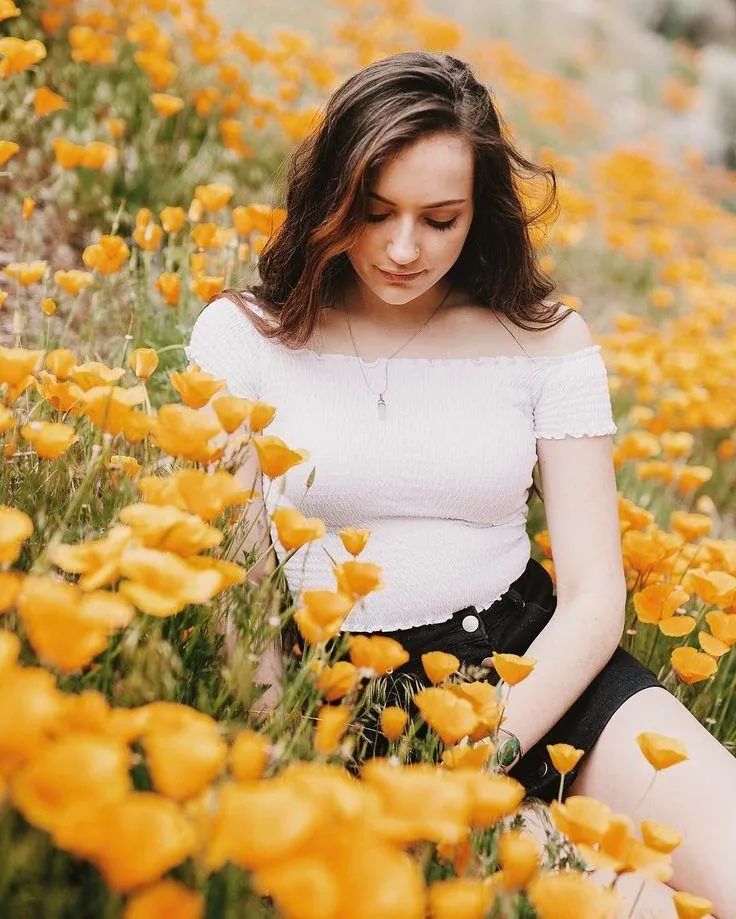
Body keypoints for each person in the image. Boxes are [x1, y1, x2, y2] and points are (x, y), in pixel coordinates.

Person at [187, 50, 736, 916]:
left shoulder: (545, 340)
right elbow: (243, 593)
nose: (403, 248)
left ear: (479, 217)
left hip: (537, 667)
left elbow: (595, 596)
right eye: (374, 213)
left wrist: (486, 744)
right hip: (342, 700)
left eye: (439, 220)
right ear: (331, 197)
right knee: (635, 906)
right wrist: (287, 748)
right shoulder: (240, 338)